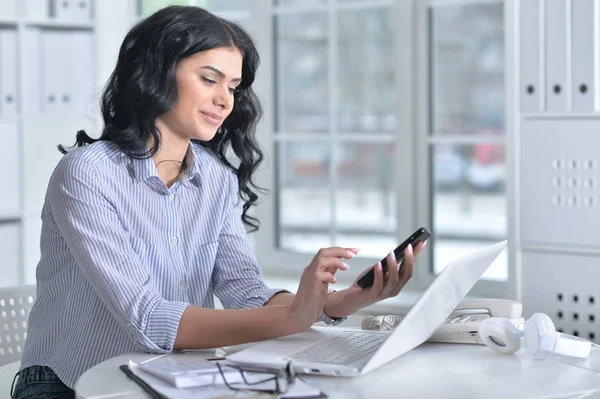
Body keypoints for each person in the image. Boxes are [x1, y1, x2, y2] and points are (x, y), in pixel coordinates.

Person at [11, 5, 424, 398]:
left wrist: (336, 302)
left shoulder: (217, 179)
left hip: (171, 374)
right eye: (209, 80)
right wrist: (292, 315)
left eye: (232, 86)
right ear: (156, 73)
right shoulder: (87, 174)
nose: (226, 100)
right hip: (67, 383)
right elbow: (148, 318)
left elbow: (243, 290)